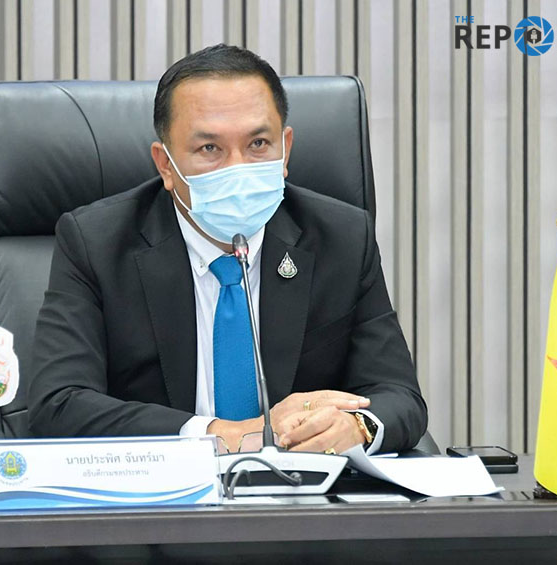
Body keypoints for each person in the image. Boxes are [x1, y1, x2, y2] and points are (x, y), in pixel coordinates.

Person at [28, 44, 427, 455]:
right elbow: (58, 404)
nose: (238, 167)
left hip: (302, 485)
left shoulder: (341, 237)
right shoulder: (96, 243)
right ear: (165, 165)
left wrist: (356, 426)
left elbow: (398, 396)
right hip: (162, 487)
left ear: (285, 149)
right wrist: (221, 434)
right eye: (210, 149)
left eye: (258, 143)